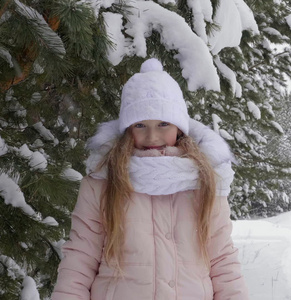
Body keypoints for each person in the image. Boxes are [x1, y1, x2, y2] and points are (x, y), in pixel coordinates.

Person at [52, 58, 249, 299]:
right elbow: (80, 258)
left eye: (163, 123)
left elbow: (222, 261)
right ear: (127, 129)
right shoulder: (103, 182)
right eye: (141, 125)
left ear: (179, 127)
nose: (152, 136)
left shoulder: (205, 180)